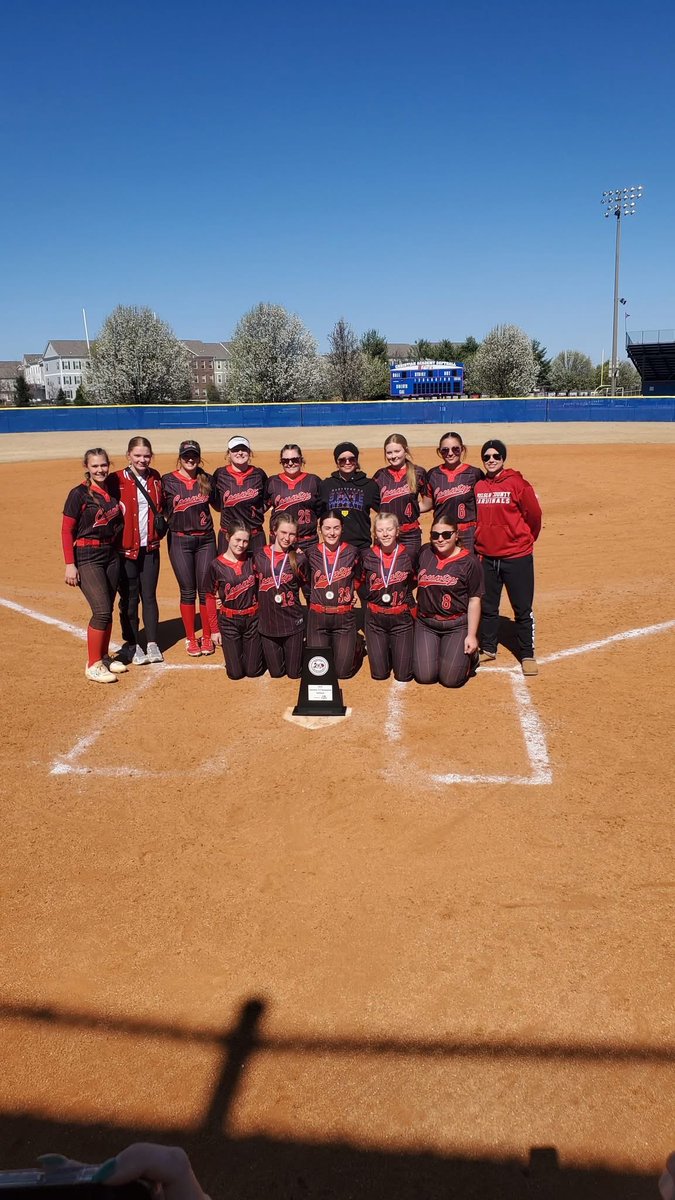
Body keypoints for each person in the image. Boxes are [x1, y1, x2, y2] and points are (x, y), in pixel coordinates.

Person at [474, 438, 542, 677]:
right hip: (488, 556)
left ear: (503, 458)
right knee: (489, 605)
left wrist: (524, 540)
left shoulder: (517, 483)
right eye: (487, 457)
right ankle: (489, 647)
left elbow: (534, 515)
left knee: (522, 607)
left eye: (496, 456)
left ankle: (526, 653)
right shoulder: (479, 486)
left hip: (517, 556)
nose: (491, 460)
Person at [61, 448, 125, 683]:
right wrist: (70, 564)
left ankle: (103, 656)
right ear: (87, 467)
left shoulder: (111, 490)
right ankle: (93, 664)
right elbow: (67, 530)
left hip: (110, 553)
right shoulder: (78, 494)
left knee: (107, 608)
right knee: (100, 610)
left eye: (103, 465)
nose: (100, 470)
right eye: (95, 466)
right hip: (87, 555)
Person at [162, 440, 217, 657]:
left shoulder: (206, 479)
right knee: (187, 590)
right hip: (179, 539)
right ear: (180, 457)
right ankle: (190, 638)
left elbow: (221, 505)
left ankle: (206, 636)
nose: (190, 459)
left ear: (199, 456)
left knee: (205, 590)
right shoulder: (167, 481)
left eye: (194, 455)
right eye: (186, 456)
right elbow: (157, 507)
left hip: (205, 539)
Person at [111, 436, 164, 666]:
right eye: (138, 455)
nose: (142, 459)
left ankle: (152, 642)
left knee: (149, 597)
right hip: (126, 550)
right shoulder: (116, 480)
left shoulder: (155, 478)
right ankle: (132, 643)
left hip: (150, 548)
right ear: (128, 456)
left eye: (146, 455)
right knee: (130, 599)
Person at [413, 517, 483, 688]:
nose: (440, 539)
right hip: (426, 623)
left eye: (446, 534)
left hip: (456, 624)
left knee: (450, 680)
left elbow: (474, 599)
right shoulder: (425, 552)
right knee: (424, 676)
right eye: (435, 535)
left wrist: (472, 635)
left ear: (456, 535)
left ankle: (472, 658)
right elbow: (410, 579)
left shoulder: (469, 561)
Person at [305, 511, 362, 678]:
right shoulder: (310, 553)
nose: (331, 533)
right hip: (318, 617)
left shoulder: (353, 552)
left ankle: (356, 646)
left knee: (341, 673)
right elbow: (304, 579)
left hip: (344, 617)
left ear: (342, 529)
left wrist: (353, 591)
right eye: (327, 528)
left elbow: (359, 577)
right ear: (319, 529)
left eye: (336, 528)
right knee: (320, 671)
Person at [205, 521, 264, 680]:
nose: (241, 545)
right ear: (227, 537)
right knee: (235, 674)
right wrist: (214, 629)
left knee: (253, 671)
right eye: (237, 540)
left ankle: (254, 652)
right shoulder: (215, 565)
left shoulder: (254, 560)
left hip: (252, 620)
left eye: (245, 541)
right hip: (229, 622)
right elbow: (210, 597)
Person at [360, 513, 415, 681]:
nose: (385, 534)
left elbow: (416, 580)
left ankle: (396, 649)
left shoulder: (410, 554)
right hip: (375, 620)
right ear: (374, 533)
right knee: (379, 675)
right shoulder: (367, 556)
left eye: (389, 529)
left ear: (397, 531)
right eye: (380, 530)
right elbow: (359, 582)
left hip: (401, 619)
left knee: (404, 676)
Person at [254, 514, 307, 678]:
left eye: (292, 534)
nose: (287, 538)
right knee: (276, 673)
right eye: (283, 532)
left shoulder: (299, 558)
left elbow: (309, 586)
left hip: (292, 623)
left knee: (294, 674)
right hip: (268, 624)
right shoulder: (259, 555)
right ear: (274, 531)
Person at [372, 433, 431, 566]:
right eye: (389, 453)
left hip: (410, 535)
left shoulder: (418, 472)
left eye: (397, 451)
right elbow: (377, 505)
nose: (393, 456)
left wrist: (412, 509)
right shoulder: (380, 475)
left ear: (406, 450)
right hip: (386, 533)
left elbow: (427, 503)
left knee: (408, 572)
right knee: (385, 570)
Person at [427, 430, 484, 555]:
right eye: (445, 450)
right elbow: (427, 504)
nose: (450, 453)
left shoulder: (475, 473)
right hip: (442, 535)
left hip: (468, 533)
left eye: (455, 449)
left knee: (469, 569)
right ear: (439, 451)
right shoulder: (433, 475)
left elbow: (485, 501)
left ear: (462, 449)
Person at [210, 435, 268, 555]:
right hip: (228, 535)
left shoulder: (258, 474)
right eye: (235, 450)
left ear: (249, 452)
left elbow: (267, 499)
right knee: (227, 571)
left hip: (255, 535)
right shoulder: (220, 474)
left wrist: (255, 512)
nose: (240, 453)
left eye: (244, 449)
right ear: (228, 454)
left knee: (258, 571)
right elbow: (216, 502)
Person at [319, 442, 380, 550]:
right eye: (342, 460)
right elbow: (316, 513)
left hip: (361, 547)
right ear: (337, 462)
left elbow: (384, 512)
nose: (347, 463)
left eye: (351, 459)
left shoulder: (369, 485)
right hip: (334, 547)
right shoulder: (326, 485)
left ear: (356, 461)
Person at [265, 443, 322, 550]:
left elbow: (321, 509)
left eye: (294, 460)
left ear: (301, 460)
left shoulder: (313, 481)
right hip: (280, 541)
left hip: (307, 542)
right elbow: (262, 506)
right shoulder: (272, 482)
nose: (290, 463)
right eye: (285, 461)